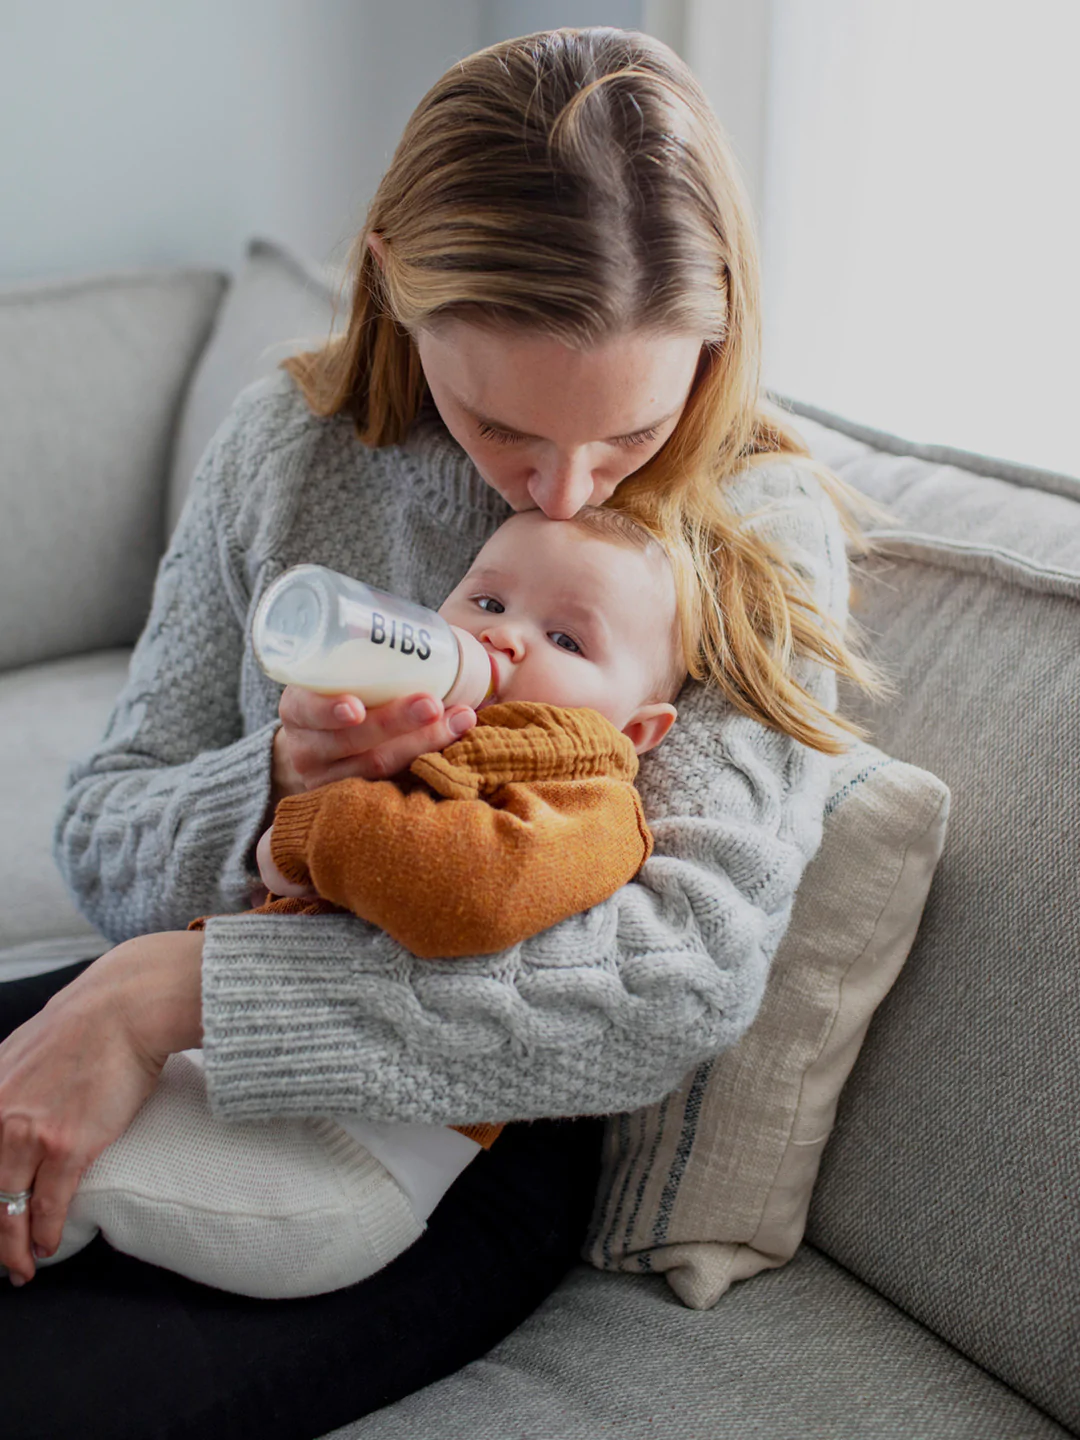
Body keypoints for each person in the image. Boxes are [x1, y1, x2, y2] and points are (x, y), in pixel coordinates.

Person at [0, 27, 881, 1440]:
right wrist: (273, 783)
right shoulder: (288, 444)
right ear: (390, 279)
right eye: (500, 421)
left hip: (461, 1132)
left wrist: (177, 993)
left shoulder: (752, 531)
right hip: (195, 1036)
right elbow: (105, 822)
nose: (563, 485)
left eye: (628, 438)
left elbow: (678, 981)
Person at [22, 506, 686, 1300]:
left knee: (69, 1176)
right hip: (251, 1076)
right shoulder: (417, 734)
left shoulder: (591, 802)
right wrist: (299, 797)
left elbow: (470, 894)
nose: (502, 639)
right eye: (488, 603)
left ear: (641, 728)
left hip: (350, 1156)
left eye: (567, 641)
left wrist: (307, 826)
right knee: (35, 1106)